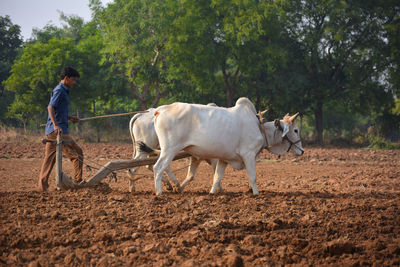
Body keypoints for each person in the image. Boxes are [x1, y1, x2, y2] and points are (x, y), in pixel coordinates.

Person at [38, 67, 84, 191]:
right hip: (57, 131)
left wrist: (70, 118)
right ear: (66, 78)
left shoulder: (64, 90)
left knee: (49, 159)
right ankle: (78, 181)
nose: (74, 83)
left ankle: (42, 187)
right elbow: (50, 108)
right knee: (77, 153)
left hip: (52, 131)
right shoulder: (59, 90)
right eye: (73, 80)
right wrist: (56, 125)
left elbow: (58, 110)